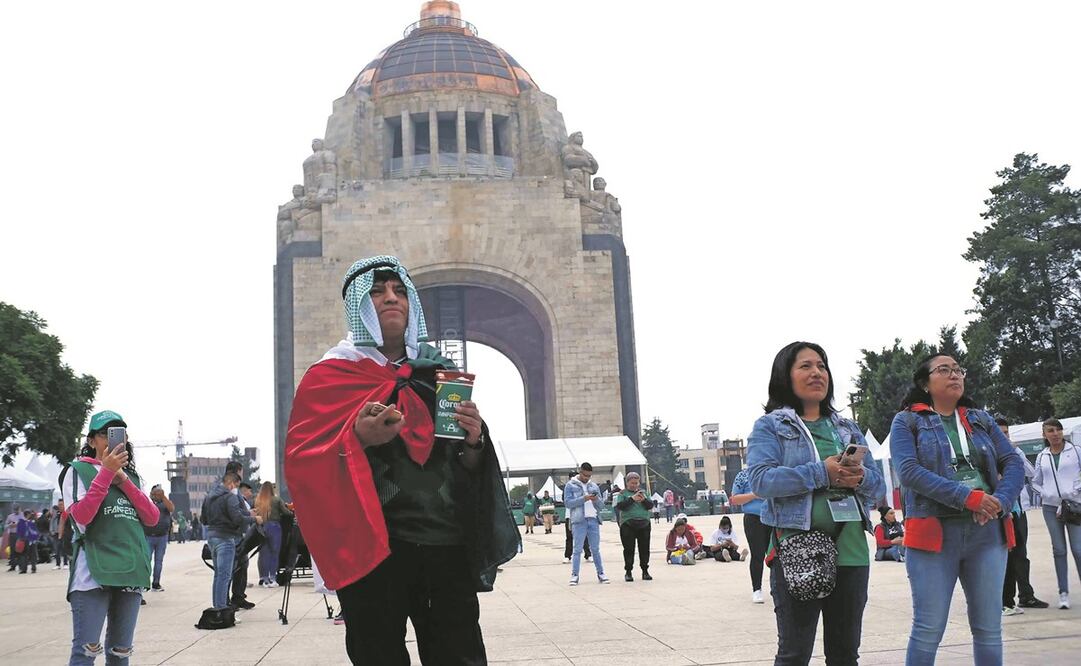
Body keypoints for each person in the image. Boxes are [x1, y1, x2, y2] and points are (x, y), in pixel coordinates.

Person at [284, 255, 518, 664]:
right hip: (374, 549)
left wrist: (475, 442)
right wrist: (356, 437)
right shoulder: (330, 376)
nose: (390, 298)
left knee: (459, 655)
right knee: (378, 655)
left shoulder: (438, 373)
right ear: (357, 307)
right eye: (376, 292)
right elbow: (303, 462)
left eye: (398, 291)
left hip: (445, 544)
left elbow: (463, 464)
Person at [747, 341, 885, 666]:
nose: (816, 373)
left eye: (822, 366)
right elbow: (762, 480)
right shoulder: (771, 426)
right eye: (805, 366)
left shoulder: (847, 428)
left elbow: (878, 488)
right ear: (786, 376)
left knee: (845, 654)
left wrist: (860, 478)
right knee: (795, 655)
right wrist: (822, 472)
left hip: (852, 551)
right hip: (798, 548)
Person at [891, 354, 1024, 665]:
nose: (954, 375)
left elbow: (1013, 462)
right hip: (934, 535)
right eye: (944, 370)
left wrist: (999, 501)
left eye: (958, 370)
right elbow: (908, 471)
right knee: (928, 628)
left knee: (989, 629)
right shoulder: (907, 420)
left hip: (987, 533)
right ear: (925, 383)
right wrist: (968, 497)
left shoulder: (981, 419)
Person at [62, 409, 159, 664]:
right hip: (93, 573)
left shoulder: (133, 477)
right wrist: (105, 473)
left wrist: (123, 480)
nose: (112, 439)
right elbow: (82, 517)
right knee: (85, 652)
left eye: (118, 434)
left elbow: (152, 517)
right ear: (91, 440)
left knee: (120, 653)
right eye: (105, 433)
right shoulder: (78, 470)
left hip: (130, 570)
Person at [996, 417, 1048, 615]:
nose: (1004, 437)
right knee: (1006, 557)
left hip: (1019, 510)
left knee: (1021, 555)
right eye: (1000, 433)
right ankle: (1005, 600)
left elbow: (1031, 472)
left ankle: (1025, 595)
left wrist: (1014, 451)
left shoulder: (1013, 453)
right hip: (1002, 512)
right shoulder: (989, 454)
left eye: (1006, 433)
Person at [1032, 417, 1081, 610]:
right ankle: (1063, 592)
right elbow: (1035, 481)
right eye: (1050, 431)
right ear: (1044, 435)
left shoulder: (1076, 451)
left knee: (1078, 549)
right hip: (1051, 508)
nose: (1055, 434)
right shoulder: (1042, 456)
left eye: (1058, 430)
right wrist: (1046, 493)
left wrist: (1077, 489)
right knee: (1059, 550)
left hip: (1075, 506)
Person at [204, 471, 258, 612]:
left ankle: (217, 607)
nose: (237, 489)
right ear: (231, 483)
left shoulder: (209, 497)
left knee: (218, 575)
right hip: (226, 538)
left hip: (212, 537)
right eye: (237, 485)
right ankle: (222, 609)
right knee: (225, 576)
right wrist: (254, 519)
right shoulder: (230, 497)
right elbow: (237, 519)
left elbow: (203, 519)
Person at [564, 462, 609, 585]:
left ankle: (601, 573)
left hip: (593, 519)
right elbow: (568, 503)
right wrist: (584, 498)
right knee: (577, 549)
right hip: (578, 520)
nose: (587, 478)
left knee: (595, 549)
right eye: (584, 475)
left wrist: (596, 499)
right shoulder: (570, 485)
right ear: (580, 471)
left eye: (589, 476)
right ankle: (574, 575)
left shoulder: (594, 486)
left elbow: (601, 505)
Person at [731, 467, 770, 603]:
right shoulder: (743, 475)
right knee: (757, 554)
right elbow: (735, 499)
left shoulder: (772, 472)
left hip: (774, 517)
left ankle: (778, 587)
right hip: (753, 518)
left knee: (776, 555)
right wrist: (755, 495)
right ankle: (757, 590)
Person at [614, 472, 653, 581]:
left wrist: (643, 499)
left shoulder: (644, 493)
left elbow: (650, 506)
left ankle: (645, 571)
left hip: (644, 523)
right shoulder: (622, 494)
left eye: (636, 483)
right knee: (629, 549)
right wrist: (632, 499)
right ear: (627, 483)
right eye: (632, 483)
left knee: (644, 549)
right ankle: (628, 571)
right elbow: (620, 506)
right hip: (628, 524)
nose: (634, 485)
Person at [255, 481, 293, 588]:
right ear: (272, 489)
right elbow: (286, 512)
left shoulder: (258, 500)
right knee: (274, 553)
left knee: (264, 554)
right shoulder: (276, 499)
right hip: (274, 527)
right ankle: (272, 578)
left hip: (262, 527)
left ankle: (264, 578)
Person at [227, 471, 255, 610]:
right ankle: (226, 601)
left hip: (240, 535)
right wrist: (251, 517)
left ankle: (239, 597)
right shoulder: (231, 494)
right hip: (233, 536)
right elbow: (236, 515)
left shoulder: (235, 493)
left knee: (242, 566)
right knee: (231, 569)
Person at [143, 485, 174, 593]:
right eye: (155, 493)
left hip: (162, 537)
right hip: (148, 536)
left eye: (159, 492)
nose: (157, 494)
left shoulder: (164, 503)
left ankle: (156, 583)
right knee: (146, 561)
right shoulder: (148, 502)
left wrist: (164, 497)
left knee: (158, 562)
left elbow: (171, 508)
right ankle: (144, 583)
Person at [6, 504, 20, 571]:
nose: (16, 511)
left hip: (20, 534)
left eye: (17, 509)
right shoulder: (10, 516)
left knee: (20, 550)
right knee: (12, 550)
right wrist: (10, 525)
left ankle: (21, 565)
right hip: (12, 534)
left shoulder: (22, 515)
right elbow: (6, 525)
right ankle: (12, 566)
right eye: (15, 509)